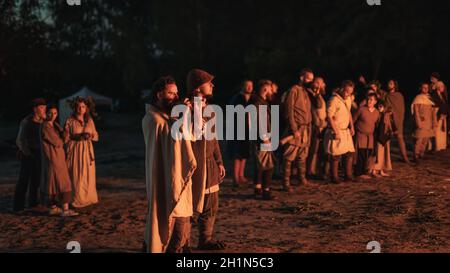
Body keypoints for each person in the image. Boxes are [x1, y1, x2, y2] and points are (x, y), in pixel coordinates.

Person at [142, 76, 197, 253]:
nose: (175, 96)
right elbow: (173, 137)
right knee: (164, 218)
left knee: (181, 218)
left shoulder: (167, 115)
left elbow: (188, 136)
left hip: (176, 173)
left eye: (176, 93)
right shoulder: (152, 118)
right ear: (159, 94)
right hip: (163, 175)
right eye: (171, 93)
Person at [186, 68, 227, 250]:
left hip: (210, 163)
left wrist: (219, 161)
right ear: (197, 88)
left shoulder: (209, 109)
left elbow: (213, 137)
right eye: (208, 82)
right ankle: (182, 242)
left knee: (211, 203)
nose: (212, 85)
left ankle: (205, 239)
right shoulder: (185, 108)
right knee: (190, 205)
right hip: (194, 164)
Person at [40, 104, 78, 217]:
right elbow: (58, 142)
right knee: (62, 182)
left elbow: (66, 137)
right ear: (46, 113)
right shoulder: (46, 126)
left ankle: (53, 207)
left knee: (54, 182)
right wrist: (64, 137)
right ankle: (65, 209)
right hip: (53, 158)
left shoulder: (55, 125)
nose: (53, 115)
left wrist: (65, 135)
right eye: (50, 113)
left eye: (55, 113)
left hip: (58, 157)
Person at [281, 68, 314, 192]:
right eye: (308, 78)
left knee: (302, 155)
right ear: (302, 77)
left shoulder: (305, 92)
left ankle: (302, 179)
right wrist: (294, 129)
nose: (310, 81)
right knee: (289, 156)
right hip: (296, 128)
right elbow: (289, 111)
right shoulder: (293, 90)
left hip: (305, 129)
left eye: (312, 79)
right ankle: (286, 183)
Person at [64, 97, 99, 208]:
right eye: (78, 106)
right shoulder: (69, 121)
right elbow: (65, 138)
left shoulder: (89, 121)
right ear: (75, 108)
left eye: (83, 106)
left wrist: (90, 135)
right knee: (76, 175)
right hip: (75, 151)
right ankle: (76, 200)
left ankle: (88, 198)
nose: (80, 109)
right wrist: (76, 137)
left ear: (86, 108)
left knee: (87, 175)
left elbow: (96, 136)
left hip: (87, 151)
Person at [13, 98, 47, 211]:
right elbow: (20, 139)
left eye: (44, 107)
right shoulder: (26, 121)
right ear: (35, 109)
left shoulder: (43, 121)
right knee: (24, 179)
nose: (44, 110)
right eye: (41, 108)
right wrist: (27, 153)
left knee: (36, 179)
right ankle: (18, 206)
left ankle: (33, 203)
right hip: (29, 153)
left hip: (39, 153)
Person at [323, 81, 356, 183]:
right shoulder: (334, 100)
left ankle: (348, 175)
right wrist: (335, 131)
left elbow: (349, 112)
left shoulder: (349, 99)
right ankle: (334, 177)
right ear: (342, 89)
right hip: (336, 130)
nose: (347, 94)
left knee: (349, 153)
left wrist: (352, 126)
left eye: (350, 92)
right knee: (335, 155)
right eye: (346, 91)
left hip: (345, 131)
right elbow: (329, 116)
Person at [249, 80, 276, 200]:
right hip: (262, 139)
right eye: (271, 90)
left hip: (259, 139)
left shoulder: (259, 102)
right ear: (265, 90)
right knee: (268, 165)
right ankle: (266, 191)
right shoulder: (259, 104)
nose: (272, 92)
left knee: (260, 165)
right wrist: (265, 139)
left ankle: (258, 188)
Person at [228, 80, 253, 187]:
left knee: (244, 153)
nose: (249, 87)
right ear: (242, 86)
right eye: (247, 85)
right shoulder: (237, 98)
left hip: (247, 129)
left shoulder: (251, 98)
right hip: (237, 129)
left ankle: (241, 175)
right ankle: (236, 178)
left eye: (251, 86)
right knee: (237, 154)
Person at [353, 93, 380, 179]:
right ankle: (358, 173)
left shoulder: (376, 112)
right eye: (368, 99)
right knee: (361, 154)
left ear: (375, 102)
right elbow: (353, 120)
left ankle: (365, 171)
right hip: (361, 135)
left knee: (368, 154)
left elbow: (376, 124)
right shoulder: (361, 109)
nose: (369, 101)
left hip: (370, 136)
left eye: (371, 100)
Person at [306, 77, 329, 180]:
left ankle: (314, 170)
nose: (323, 85)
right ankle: (309, 171)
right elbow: (317, 107)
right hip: (316, 125)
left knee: (318, 150)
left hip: (321, 125)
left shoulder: (318, 96)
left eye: (322, 83)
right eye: (320, 83)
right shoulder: (312, 95)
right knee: (313, 150)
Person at [385, 79, 410, 163]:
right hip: (388, 119)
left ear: (395, 85)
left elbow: (401, 109)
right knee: (386, 139)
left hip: (398, 119)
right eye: (388, 83)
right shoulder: (386, 95)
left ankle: (405, 157)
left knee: (400, 138)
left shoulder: (399, 95)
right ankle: (386, 158)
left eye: (391, 83)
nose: (389, 84)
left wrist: (398, 119)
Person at [411, 83, 437, 163]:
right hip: (421, 122)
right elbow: (416, 112)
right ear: (421, 88)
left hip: (428, 122)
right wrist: (418, 122)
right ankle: (416, 155)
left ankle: (421, 154)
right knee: (419, 139)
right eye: (423, 87)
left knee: (425, 140)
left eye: (427, 87)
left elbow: (433, 111)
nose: (425, 89)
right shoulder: (418, 98)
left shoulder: (429, 98)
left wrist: (434, 122)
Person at [371, 101, 394, 177]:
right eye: (378, 106)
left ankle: (381, 170)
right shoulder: (377, 114)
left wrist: (389, 133)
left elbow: (389, 124)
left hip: (384, 137)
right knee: (377, 154)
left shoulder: (385, 115)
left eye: (381, 107)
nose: (379, 108)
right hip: (378, 137)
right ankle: (374, 170)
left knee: (383, 154)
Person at [430, 81, 448, 151]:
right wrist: (440, 112)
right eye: (442, 86)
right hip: (437, 114)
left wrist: (445, 113)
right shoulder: (434, 95)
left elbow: (445, 104)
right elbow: (435, 105)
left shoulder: (443, 95)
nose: (443, 88)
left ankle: (441, 146)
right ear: (438, 87)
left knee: (441, 131)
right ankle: (436, 146)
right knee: (437, 131)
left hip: (443, 114)